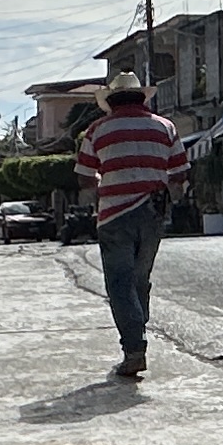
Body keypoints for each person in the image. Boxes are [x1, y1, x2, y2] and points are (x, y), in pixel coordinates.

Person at [74, 76, 188, 379]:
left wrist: (105, 183)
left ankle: (134, 348)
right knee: (140, 278)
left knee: (120, 283)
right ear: (141, 98)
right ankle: (138, 330)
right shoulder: (165, 127)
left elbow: (85, 176)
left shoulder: (97, 129)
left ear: (111, 101)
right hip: (153, 212)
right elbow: (179, 173)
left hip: (113, 216)